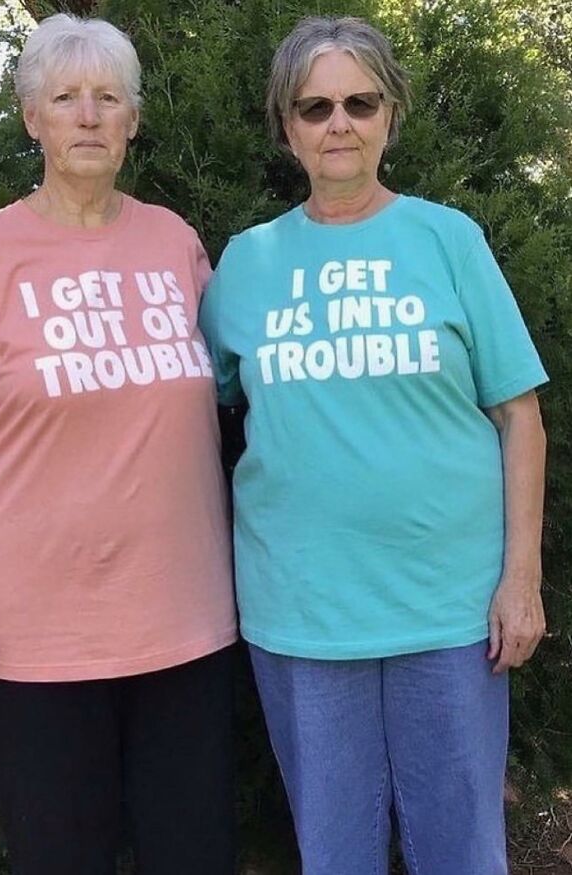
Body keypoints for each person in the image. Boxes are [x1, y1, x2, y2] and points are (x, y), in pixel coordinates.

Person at [199, 15, 547, 875]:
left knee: (464, 852)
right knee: (335, 854)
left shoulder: (449, 240)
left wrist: (522, 579)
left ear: (391, 113)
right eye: (315, 107)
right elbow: (209, 407)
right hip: (303, 612)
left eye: (360, 102)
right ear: (287, 126)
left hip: (451, 607)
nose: (339, 124)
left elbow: (520, 415)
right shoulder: (245, 264)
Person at [0, 13, 237, 875]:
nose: (88, 116)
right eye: (64, 99)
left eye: (107, 98)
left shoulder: (175, 244)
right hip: (30, 643)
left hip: (185, 626)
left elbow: (237, 390)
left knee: (195, 855)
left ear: (133, 120)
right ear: (32, 120)